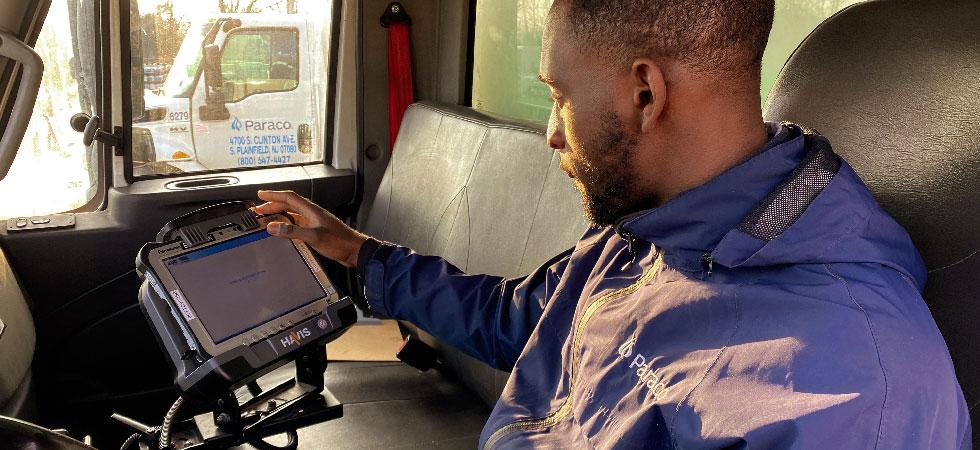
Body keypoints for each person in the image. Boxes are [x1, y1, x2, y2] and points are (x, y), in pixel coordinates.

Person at [254, 0, 970, 447]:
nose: (552, 136)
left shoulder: (851, 392)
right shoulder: (651, 230)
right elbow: (523, 321)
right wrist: (351, 249)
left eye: (560, 97)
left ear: (644, 93)